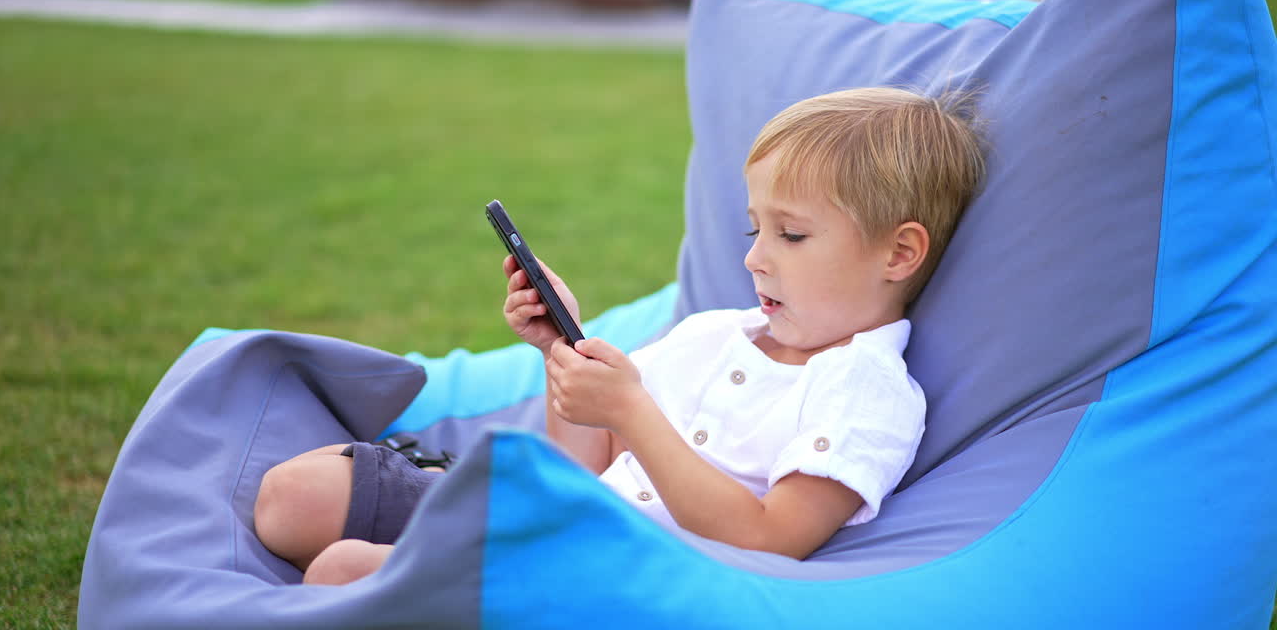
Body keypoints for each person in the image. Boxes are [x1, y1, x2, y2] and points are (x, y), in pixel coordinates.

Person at [252, 86, 986, 584]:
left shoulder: (864, 392)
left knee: (342, 572)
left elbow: (769, 540)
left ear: (899, 253)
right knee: (294, 498)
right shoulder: (715, 336)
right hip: (551, 519)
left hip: (606, 576)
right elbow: (582, 467)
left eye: (791, 235)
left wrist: (633, 411)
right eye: (753, 227)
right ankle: (433, 529)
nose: (754, 256)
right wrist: (559, 355)